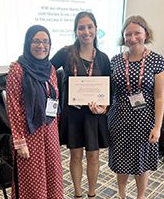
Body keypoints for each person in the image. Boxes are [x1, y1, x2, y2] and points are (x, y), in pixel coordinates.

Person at [51, 11, 110, 198]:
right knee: (75, 155)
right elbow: (45, 68)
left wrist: (104, 107)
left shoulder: (103, 58)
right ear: (76, 31)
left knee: (93, 156)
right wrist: (21, 65)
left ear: (96, 30)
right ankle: (78, 194)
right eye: (81, 28)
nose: (86, 32)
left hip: (94, 115)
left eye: (90, 27)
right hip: (73, 114)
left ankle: (91, 194)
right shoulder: (67, 53)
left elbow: (109, 89)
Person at [108, 15, 164, 199]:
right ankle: (122, 195)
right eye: (128, 34)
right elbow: (108, 92)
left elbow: (159, 97)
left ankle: (141, 196)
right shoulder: (116, 60)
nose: (132, 38)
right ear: (123, 37)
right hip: (119, 118)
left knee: (141, 162)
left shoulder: (157, 60)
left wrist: (157, 127)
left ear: (146, 34)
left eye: (137, 33)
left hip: (145, 120)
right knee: (121, 160)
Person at [6, 25, 63, 199]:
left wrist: (55, 131)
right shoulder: (18, 69)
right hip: (29, 134)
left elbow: (54, 99)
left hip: (50, 131)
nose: (41, 46)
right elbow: (13, 107)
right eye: (36, 41)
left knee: (52, 174)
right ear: (28, 43)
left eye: (45, 42)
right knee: (33, 178)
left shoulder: (51, 69)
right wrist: (19, 142)